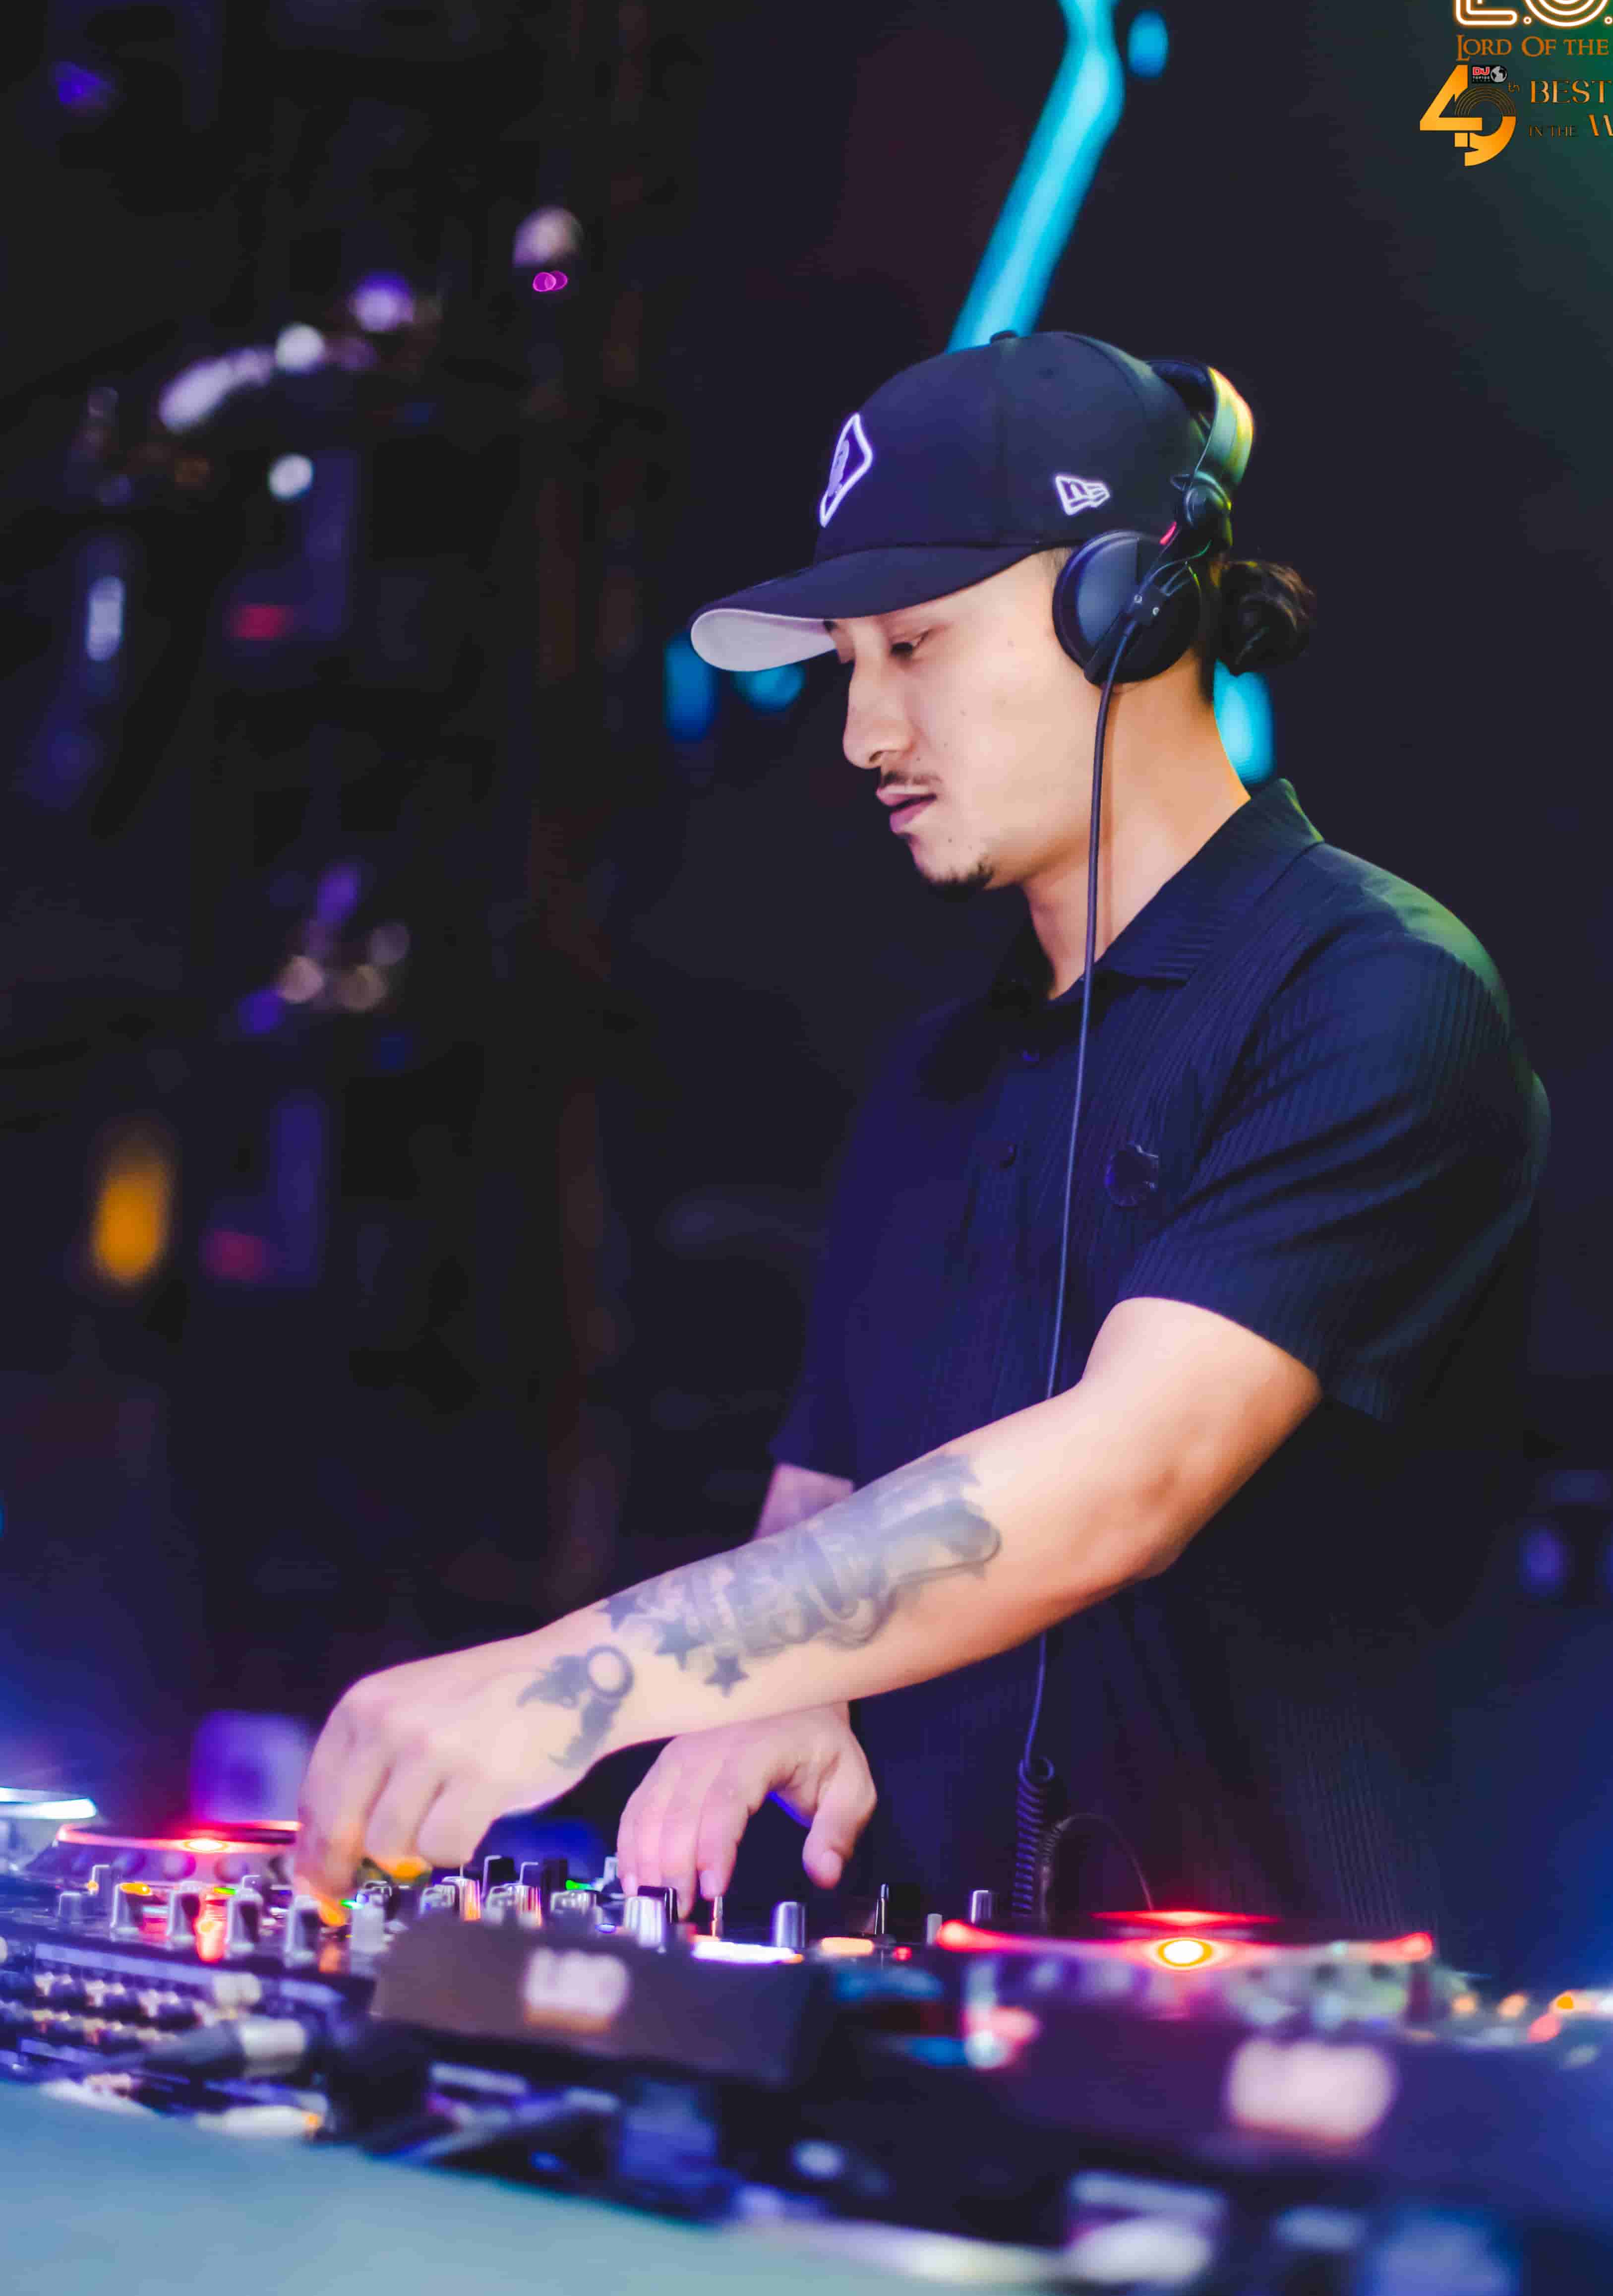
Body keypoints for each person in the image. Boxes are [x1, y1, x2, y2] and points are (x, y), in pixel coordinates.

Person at [293, 331, 1548, 1936]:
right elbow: (826, 1491)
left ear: (1127, 607)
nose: (863, 734)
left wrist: (576, 1680)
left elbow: (1128, 1475)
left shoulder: (1378, 997)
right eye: (846, 667)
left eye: (915, 647)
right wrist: (777, 1685)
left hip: (1304, 2035)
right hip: (930, 2017)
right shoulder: (936, 1072)